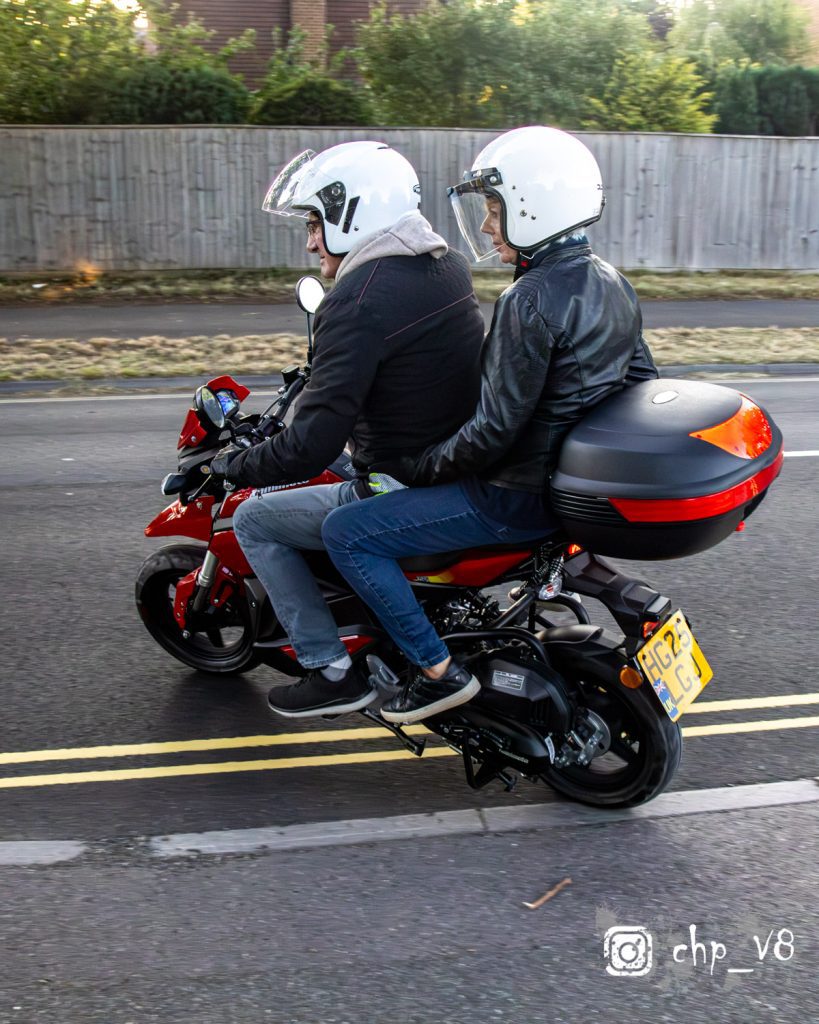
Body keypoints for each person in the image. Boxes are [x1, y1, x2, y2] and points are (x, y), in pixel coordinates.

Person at [322, 125, 659, 725]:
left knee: (347, 532)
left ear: (535, 208)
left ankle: (434, 674)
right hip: (563, 493)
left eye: (496, 210)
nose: (485, 226)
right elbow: (640, 385)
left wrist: (419, 469)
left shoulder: (527, 299)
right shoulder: (613, 281)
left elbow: (492, 432)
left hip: (509, 499)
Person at [210, 140, 484, 718]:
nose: (310, 242)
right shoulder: (446, 266)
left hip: (402, 478)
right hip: (453, 456)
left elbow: (308, 448)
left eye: (314, 223)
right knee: (330, 473)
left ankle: (331, 669)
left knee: (255, 518)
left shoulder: (356, 300)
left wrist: (234, 465)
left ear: (352, 213)